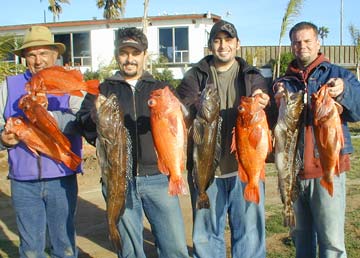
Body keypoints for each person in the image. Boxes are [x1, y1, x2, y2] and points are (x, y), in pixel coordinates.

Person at [76, 27, 189, 258]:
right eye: (124, 53)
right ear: (117, 55)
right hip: (118, 179)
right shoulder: (101, 89)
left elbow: (182, 124)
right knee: (130, 251)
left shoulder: (160, 89)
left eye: (135, 53)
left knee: (175, 247)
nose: (129, 59)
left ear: (144, 55)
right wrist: (95, 116)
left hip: (158, 178)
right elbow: (83, 124)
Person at [176, 20, 270, 258]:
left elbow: (262, 94)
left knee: (249, 235)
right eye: (217, 40)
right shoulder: (194, 75)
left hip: (244, 170)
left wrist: (262, 97)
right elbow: (183, 104)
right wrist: (198, 103)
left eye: (228, 40)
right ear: (210, 45)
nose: (223, 45)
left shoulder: (252, 75)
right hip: (207, 172)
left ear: (237, 44)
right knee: (206, 237)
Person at [273, 21, 360, 258]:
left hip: (327, 170)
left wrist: (343, 91)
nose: (302, 46)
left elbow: (358, 109)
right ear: (292, 46)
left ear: (318, 43)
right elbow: (273, 126)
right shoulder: (284, 82)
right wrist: (275, 100)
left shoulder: (338, 74)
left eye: (307, 41)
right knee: (302, 242)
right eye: (297, 42)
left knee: (331, 242)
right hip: (295, 173)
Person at [0, 26, 83, 257]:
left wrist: (50, 116)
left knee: (65, 246)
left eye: (43, 53)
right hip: (23, 182)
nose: (38, 60)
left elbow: (83, 121)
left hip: (62, 176)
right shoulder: (8, 86)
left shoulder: (69, 82)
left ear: (55, 55)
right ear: (24, 58)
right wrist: (4, 139)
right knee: (30, 250)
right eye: (31, 54)